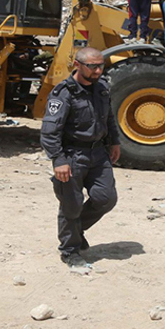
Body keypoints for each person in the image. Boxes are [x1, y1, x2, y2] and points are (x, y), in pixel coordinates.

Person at [39, 47, 121, 268]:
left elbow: (109, 117)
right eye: (92, 66)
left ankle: (75, 231)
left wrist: (115, 141)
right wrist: (58, 160)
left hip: (98, 153)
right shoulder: (63, 93)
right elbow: (49, 131)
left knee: (106, 198)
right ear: (77, 65)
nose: (97, 71)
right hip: (72, 155)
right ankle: (70, 251)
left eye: (101, 66)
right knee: (71, 205)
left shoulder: (102, 87)